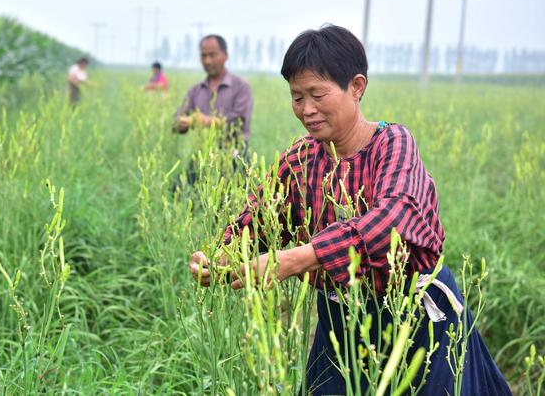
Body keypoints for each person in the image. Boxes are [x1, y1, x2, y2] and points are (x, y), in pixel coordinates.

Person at [189, 24, 512, 395]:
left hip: (413, 319)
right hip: (339, 322)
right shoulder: (300, 158)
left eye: (317, 95)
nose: (306, 110)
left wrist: (298, 258)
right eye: (296, 97)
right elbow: (258, 219)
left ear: (356, 87)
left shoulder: (392, 143)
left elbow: (394, 218)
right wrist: (219, 255)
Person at [174, 35, 253, 146]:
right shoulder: (195, 91)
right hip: (202, 156)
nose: (207, 61)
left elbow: (239, 122)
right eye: (203, 56)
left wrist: (206, 121)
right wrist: (182, 123)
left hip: (234, 154)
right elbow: (177, 119)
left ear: (226, 55)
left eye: (212, 55)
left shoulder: (241, 87)